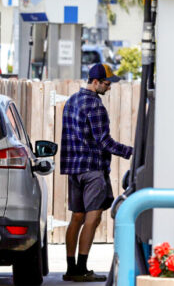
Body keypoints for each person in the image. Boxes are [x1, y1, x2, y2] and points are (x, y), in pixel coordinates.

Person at [60, 63, 133, 282]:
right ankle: (81, 270)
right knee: (93, 218)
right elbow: (104, 142)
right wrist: (131, 152)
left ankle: (71, 268)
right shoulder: (95, 106)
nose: (109, 88)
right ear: (95, 82)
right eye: (107, 83)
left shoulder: (71, 101)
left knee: (77, 218)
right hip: (92, 169)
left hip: (74, 169)